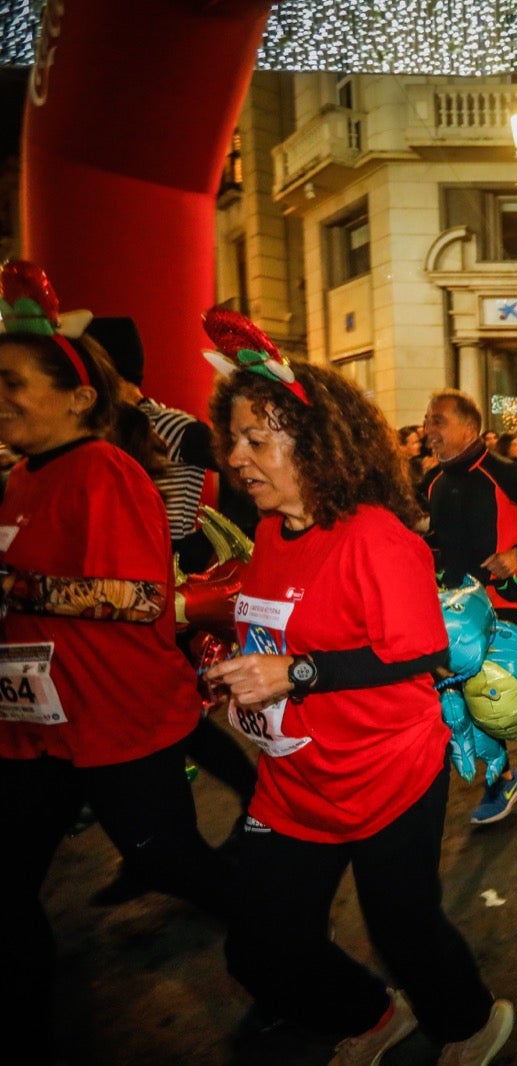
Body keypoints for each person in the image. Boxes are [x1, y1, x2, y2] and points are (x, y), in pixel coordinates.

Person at [199, 310, 514, 1065]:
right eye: (233, 440)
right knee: (259, 945)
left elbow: (421, 653)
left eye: (257, 439)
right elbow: (280, 630)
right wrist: (234, 670)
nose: (237, 458)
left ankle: (471, 1023)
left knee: (402, 927)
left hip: (387, 771)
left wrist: (296, 673)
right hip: (294, 781)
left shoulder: (378, 536)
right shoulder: (269, 531)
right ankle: (372, 1016)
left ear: (314, 443)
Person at [0, 266, 236, 1065]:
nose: (1, 398)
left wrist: (20, 587)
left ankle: (283, 941)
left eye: (14, 382)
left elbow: (141, 601)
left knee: (167, 858)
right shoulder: (20, 478)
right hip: (38, 726)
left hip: (118, 719)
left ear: (77, 396)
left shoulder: (106, 470)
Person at [83, 315, 260, 908]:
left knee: (176, 718)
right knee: (162, 725)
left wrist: (224, 555)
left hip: (168, 591)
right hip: (113, 596)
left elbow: (239, 470)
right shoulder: (95, 433)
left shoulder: (173, 426)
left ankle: (232, 819)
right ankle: (159, 851)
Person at [420, 388, 517, 824]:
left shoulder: (502, 472)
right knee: (476, 688)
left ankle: (501, 779)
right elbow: (442, 539)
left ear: (469, 428)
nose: (428, 429)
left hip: (499, 595)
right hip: (454, 602)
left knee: (479, 687)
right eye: (427, 420)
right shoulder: (435, 480)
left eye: (438, 420)